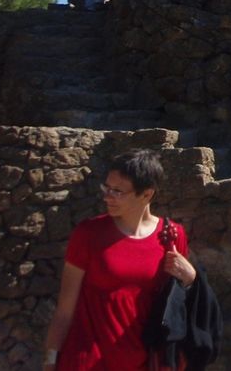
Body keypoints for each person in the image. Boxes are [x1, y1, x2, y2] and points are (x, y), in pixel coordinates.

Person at [42, 149, 196, 370]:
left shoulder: (171, 236)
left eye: (118, 191)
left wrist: (192, 279)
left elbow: (180, 305)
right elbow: (64, 310)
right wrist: (50, 361)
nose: (107, 196)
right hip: (87, 361)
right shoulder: (88, 233)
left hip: (146, 361)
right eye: (107, 188)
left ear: (147, 195)